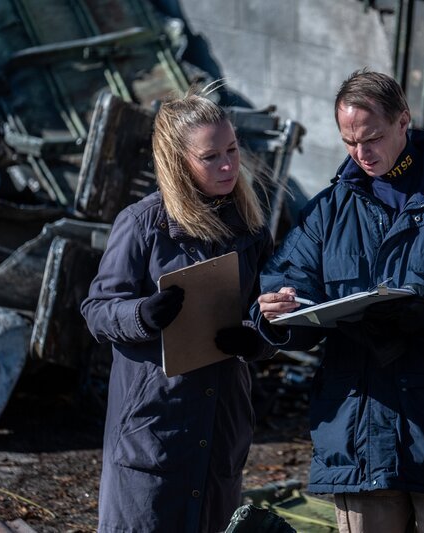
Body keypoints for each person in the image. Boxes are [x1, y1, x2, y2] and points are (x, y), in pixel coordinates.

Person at [255, 69, 424, 532]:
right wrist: (277, 313)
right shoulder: (326, 213)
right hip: (358, 433)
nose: (361, 154)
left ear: (404, 120)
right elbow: (286, 286)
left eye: (372, 138)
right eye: (349, 142)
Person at [81, 83, 274, 533]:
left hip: (220, 429)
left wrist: (257, 337)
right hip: (154, 429)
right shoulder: (142, 224)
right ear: (178, 161)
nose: (227, 165)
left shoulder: (251, 230)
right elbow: (96, 309)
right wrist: (141, 315)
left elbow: (268, 315)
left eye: (232, 149)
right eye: (210, 156)